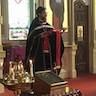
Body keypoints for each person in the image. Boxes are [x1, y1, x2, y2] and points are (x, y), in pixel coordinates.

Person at [24, 6, 64, 74]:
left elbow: (53, 34)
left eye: (46, 13)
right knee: (40, 70)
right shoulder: (34, 24)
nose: (46, 14)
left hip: (49, 52)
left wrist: (58, 34)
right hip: (39, 53)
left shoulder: (47, 25)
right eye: (44, 13)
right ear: (39, 14)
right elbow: (31, 38)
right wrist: (40, 36)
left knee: (49, 69)